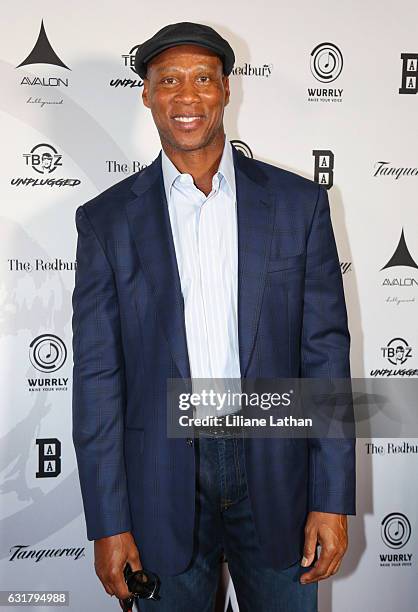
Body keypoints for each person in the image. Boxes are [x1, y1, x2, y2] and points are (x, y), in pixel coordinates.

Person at [72, 21, 356, 612]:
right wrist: (107, 522)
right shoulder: (105, 223)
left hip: (278, 469)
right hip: (158, 481)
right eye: (168, 80)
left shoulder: (298, 205)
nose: (187, 96)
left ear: (227, 88)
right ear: (146, 94)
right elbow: (97, 381)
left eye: (203, 78)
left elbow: (324, 355)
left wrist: (331, 498)